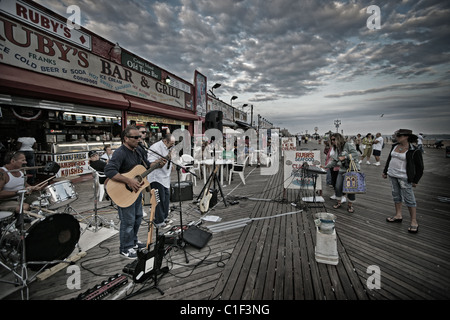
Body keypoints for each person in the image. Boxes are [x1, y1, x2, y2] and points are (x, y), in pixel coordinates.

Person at [104, 125, 166, 259]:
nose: (139, 139)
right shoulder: (120, 152)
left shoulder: (138, 150)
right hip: (123, 192)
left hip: (136, 192)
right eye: (136, 137)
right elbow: (109, 171)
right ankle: (125, 248)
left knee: (138, 217)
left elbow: (146, 166)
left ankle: (133, 241)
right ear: (126, 138)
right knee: (128, 221)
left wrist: (157, 164)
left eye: (140, 136)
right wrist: (128, 181)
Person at [383, 129, 424, 233]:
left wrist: (415, 180)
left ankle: (414, 221)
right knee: (396, 195)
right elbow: (389, 159)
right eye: (397, 135)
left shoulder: (414, 150)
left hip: (404, 177)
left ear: (406, 137)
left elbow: (420, 167)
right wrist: (385, 171)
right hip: (392, 175)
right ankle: (398, 215)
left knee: (409, 198)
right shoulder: (394, 146)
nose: (397, 137)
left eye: (399, 135)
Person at [325, 133, 359, 213]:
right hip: (342, 169)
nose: (332, 141)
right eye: (331, 140)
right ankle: (339, 202)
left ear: (339, 139)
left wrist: (345, 156)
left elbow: (355, 154)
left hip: (351, 169)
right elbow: (335, 160)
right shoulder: (336, 148)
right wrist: (326, 166)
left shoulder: (347, 145)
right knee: (337, 186)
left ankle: (350, 205)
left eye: (334, 139)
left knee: (350, 188)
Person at [147, 134, 175, 228]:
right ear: (165, 141)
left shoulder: (169, 147)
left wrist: (171, 162)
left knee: (166, 198)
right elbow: (150, 163)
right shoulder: (155, 147)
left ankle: (165, 217)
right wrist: (160, 162)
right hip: (156, 177)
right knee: (159, 199)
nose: (172, 145)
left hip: (165, 176)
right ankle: (159, 221)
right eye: (171, 143)